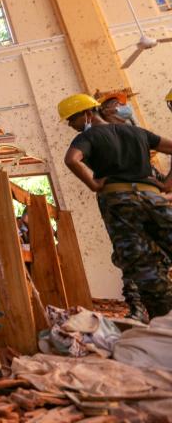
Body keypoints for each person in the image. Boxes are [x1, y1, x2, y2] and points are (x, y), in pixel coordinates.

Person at [59, 93, 172, 319]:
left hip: (120, 202)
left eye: (72, 119)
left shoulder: (89, 137)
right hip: (153, 199)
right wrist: (166, 186)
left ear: (88, 114)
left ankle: (165, 322)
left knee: (143, 266)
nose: (71, 125)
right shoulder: (137, 132)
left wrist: (93, 184)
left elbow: (72, 159)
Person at [94, 90, 148, 321]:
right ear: (103, 111)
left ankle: (156, 305)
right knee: (128, 252)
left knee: (155, 251)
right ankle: (137, 306)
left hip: (146, 196)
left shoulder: (136, 133)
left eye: (121, 105)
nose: (120, 109)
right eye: (114, 105)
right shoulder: (101, 136)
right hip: (119, 201)